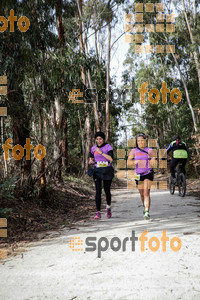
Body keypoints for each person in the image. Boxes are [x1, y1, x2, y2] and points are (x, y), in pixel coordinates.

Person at [128, 133, 156, 220]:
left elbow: (154, 159)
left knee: (146, 193)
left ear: (145, 141)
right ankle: (144, 207)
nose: (140, 142)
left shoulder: (150, 150)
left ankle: (147, 212)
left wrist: (153, 159)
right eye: (138, 141)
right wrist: (134, 162)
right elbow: (128, 163)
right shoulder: (133, 151)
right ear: (136, 142)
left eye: (142, 140)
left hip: (148, 173)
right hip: (138, 175)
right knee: (142, 194)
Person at [89, 131, 114, 219]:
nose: (99, 141)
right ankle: (98, 212)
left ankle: (108, 208)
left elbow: (111, 159)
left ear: (103, 139)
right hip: (97, 171)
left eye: (100, 139)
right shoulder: (93, 148)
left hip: (107, 170)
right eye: (97, 139)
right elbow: (91, 157)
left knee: (107, 191)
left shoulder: (108, 147)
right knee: (98, 191)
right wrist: (91, 160)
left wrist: (101, 152)